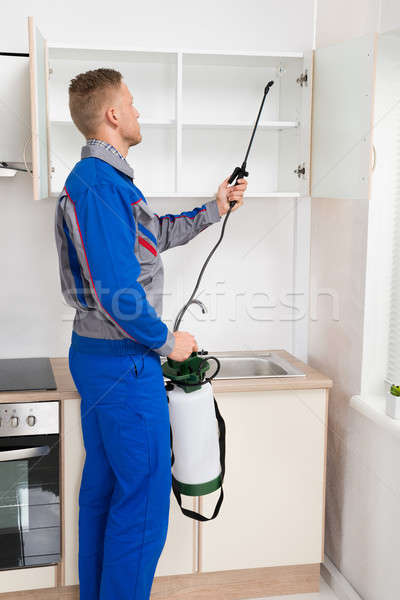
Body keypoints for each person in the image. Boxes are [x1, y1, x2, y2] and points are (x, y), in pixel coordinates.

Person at [54, 67, 247, 600]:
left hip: (103, 358)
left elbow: (154, 235)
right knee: (141, 505)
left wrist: (215, 208)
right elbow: (117, 290)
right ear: (113, 115)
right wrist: (167, 340)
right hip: (122, 361)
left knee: (107, 489)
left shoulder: (111, 184)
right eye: (133, 104)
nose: (139, 113)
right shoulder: (95, 184)